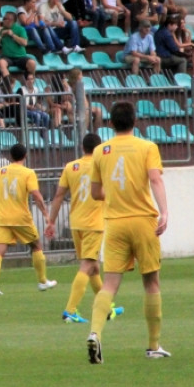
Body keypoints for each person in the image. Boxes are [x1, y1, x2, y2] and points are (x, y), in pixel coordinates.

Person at [86, 101, 169, 364]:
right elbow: (155, 179)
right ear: (135, 121)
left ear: (110, 123)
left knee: (109, 284)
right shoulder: (147, 147)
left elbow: (95, 193)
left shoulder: (100, 151)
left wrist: (115, 192)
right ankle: (153, 345)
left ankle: (95, 333)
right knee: (151, 282)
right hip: (144, 221)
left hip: (115, 223)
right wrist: (164, 211)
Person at [45, 133, 124, 324]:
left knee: (94, 268)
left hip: (76, 223)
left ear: (82, 148)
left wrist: (51, 221)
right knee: (88, 265)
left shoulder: (71, 167)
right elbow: (112, 192)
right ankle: (70, 310)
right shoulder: (101, 165)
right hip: (93, 224)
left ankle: (106, 308)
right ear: (98, 149)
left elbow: (58, 196)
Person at [0, 143, 56, 295]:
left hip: (2, 217)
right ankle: (43, 281)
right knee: (36, 246)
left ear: (10, 156)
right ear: (25, 156)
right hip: (21, 218)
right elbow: (36, 195)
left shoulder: (0, 171)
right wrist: (46, 215)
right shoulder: (28, 173)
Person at [0, 11, 38, 78]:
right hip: (7, 57)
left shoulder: (20, 29)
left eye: (4, 19)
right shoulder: (2, 30)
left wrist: (12, 35)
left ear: (10, 20)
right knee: (1, 63)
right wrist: (1, 35)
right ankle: (9, 83)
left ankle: (30, 83)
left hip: (20, 57)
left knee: (32, 63)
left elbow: (24, 43)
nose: (3, 20)